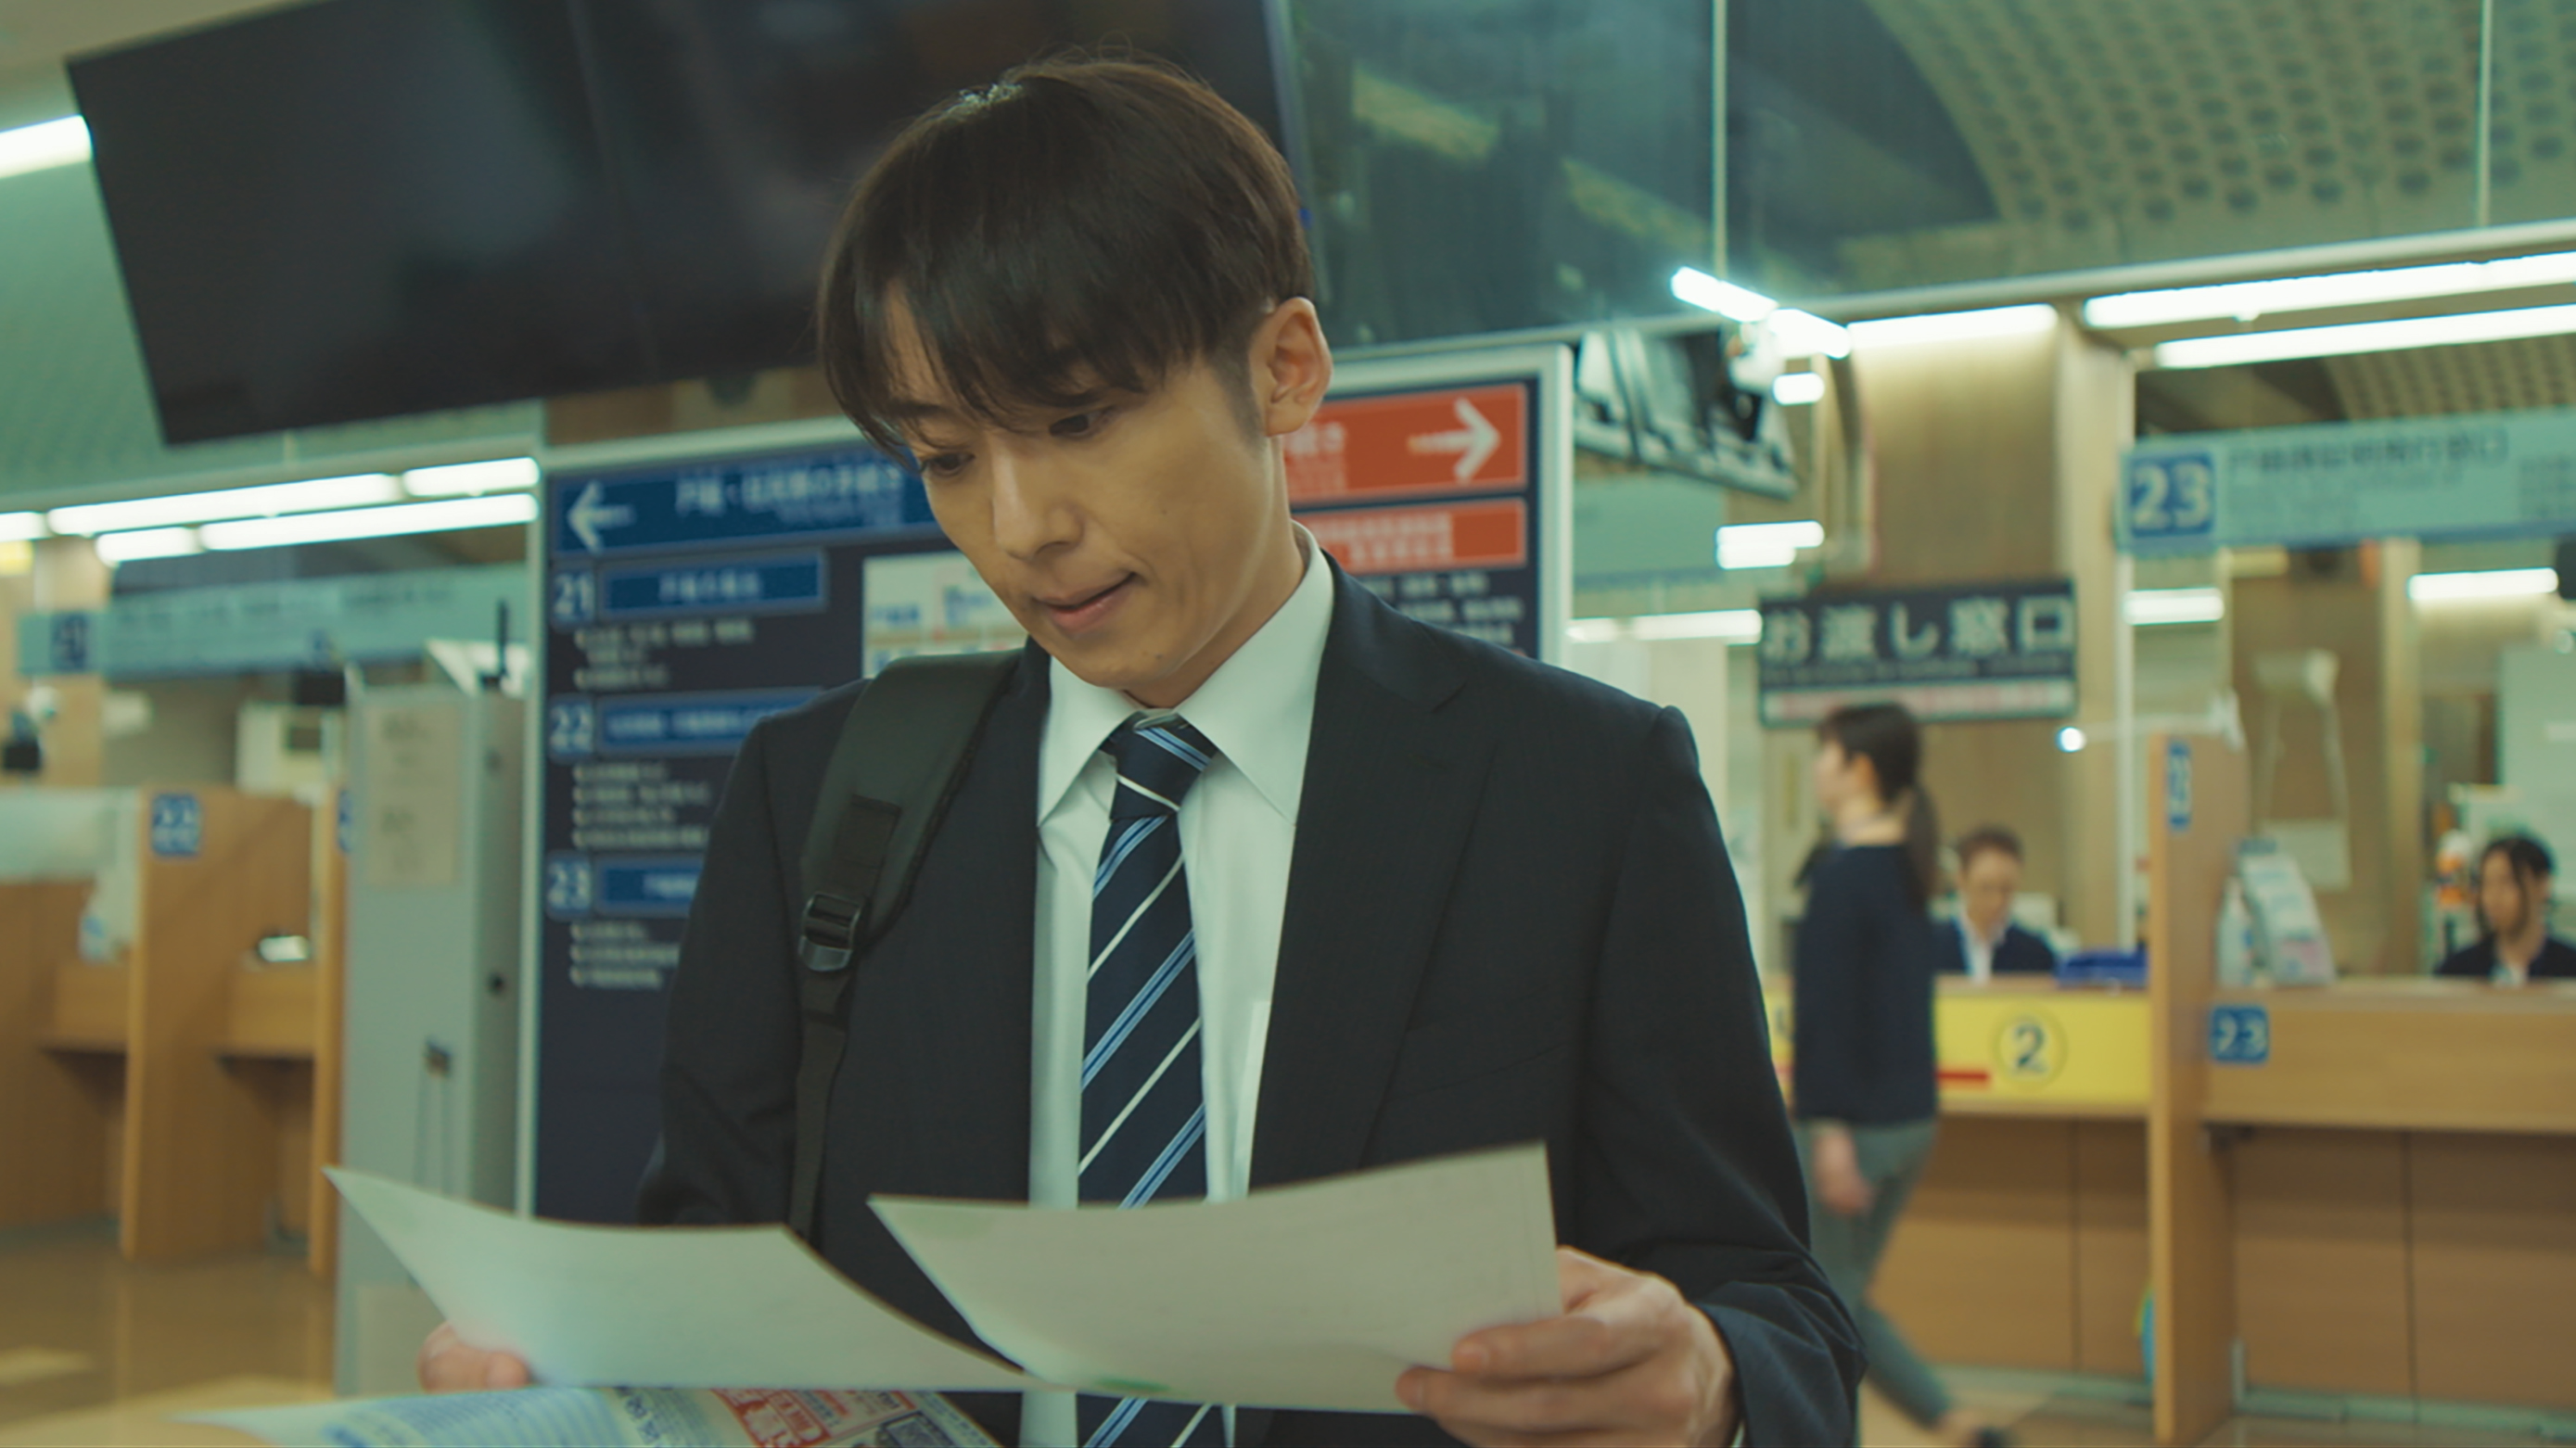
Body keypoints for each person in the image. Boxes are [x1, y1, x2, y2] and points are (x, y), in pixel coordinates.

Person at [421, 57, 1860, 1447]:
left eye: (1079, 419)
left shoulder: (1575, 790)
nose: (1020, 526)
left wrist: (1708, 1382)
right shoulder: (819, 797)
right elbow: (713, 1272)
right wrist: (575, 1381)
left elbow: (1771, 1301)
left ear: (1282, 369)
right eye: (946, 456)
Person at [1792, 704, 2004, 1448]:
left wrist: (1828, 1132)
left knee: (1825, 1301)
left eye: (1826, 754)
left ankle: (1940, 1422)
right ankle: (1956, 1424)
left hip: (1856, 1126)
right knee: (1841, 1294)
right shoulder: (1908, 873)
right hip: (1911, 1119)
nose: (1816, 768)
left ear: (1860, 770)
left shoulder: (1844, 878)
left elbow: (1826, 1019)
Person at [2435, 834, 2576, 984]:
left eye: (2506, 882)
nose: (2494, 897)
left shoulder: (2569, 967)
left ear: (2542, 885)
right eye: (2487, 884)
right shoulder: (2458, 971)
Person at [1939, 827, 2057, 981]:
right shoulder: (1930, 946)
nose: (1997, 901)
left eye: (2006, 889)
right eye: (1986, 888)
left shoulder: (2036, 953)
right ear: (1961, 880)